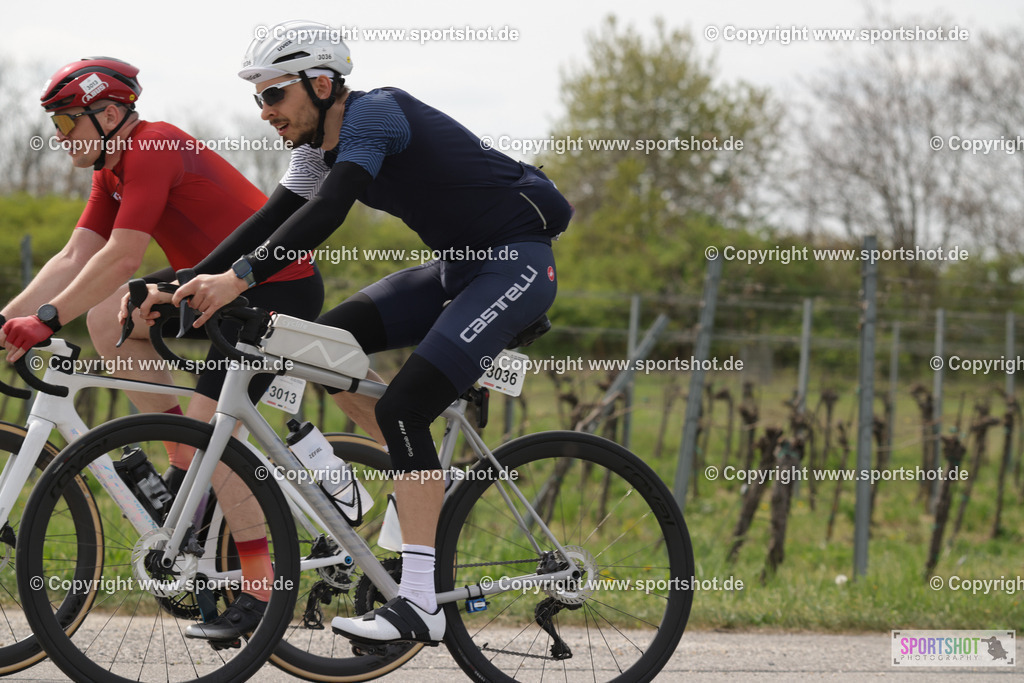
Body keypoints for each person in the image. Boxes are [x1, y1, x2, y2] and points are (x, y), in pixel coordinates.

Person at [164, 20, 574, 643]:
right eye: (258, 99)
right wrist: (181, 282)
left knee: (406, 408)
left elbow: (330, 210)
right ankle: (412, 478)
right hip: (455, 269)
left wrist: (240, 279)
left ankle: (420, 603)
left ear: (323, 83)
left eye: (274, 95)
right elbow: (274, 216)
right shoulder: (313, 151)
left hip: (515, 261)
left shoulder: (376, 115)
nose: (265, 110)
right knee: (323, 348)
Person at [0, 57, 324, 634]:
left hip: (275, 290)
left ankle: (258, 591)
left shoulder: (151, 147)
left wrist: (47, 318)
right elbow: (75, 257)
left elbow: (123, 257)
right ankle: (183, 481)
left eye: (66, 121)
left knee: (212, 443)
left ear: (108, 113)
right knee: (107, 313)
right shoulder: (111, 169)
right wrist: (7, 320)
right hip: (208, 290)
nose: (58, 136)